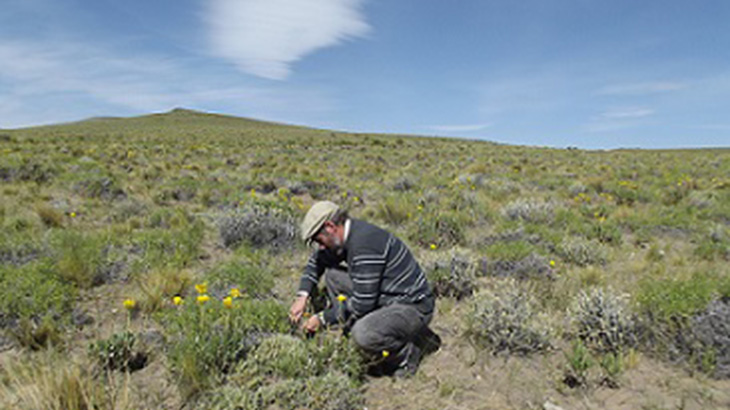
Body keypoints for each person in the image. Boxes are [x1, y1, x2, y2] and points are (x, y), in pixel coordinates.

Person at [289, 201, 440, 377]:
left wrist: (323, 318)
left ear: (330, 227)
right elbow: (316, 261)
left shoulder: (364, 244)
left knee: (363, 333)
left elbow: (362, 304)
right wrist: (302, 296)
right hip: (386, 295)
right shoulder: (345, 235)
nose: (320, 247)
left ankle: (406, 355)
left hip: (413, 306)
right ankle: (356, 324)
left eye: (318, 240)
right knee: (333, 276)